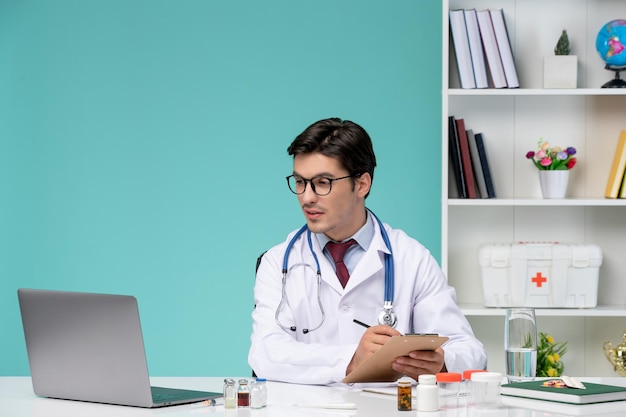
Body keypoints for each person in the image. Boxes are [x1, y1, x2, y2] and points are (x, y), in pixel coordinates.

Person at [248, 117, 486, 385]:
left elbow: (471, 352)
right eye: (300, 182)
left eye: (322, 182)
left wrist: (442, 361)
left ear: (362, 184)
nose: (307, 197)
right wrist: (351, 360)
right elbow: (264, 353)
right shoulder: (278, 261)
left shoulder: (411, 257)